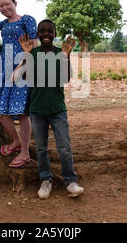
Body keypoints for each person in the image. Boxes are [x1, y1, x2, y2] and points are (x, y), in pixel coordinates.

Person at [15, 19, 84, 199]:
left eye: (49, 31)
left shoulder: (59, 53)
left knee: (64, 147)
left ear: (54, 33)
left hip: (57, 110)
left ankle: (70, 181)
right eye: (42, 31)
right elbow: (21, 77)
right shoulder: (34, 53)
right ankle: (45, 180)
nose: (46, 34)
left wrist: (66, 55)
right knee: (40, 149)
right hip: (37, 110)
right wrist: (26, 54)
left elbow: (65, 78)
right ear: (37, 34)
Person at [0, 0, 38, 168]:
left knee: (22, 112)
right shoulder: (5, 24)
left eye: (7, 4)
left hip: (21, 66)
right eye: (1, 6)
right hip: (3, 67)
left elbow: (33, 45)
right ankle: (15, 141)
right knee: (2, 113)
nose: (5, 8)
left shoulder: (27, 20)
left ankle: (25, 152)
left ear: (15, 4)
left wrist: (20, 67)